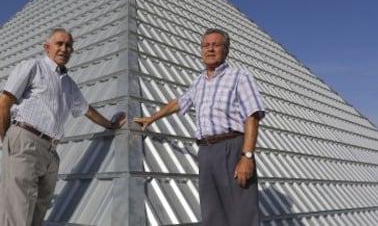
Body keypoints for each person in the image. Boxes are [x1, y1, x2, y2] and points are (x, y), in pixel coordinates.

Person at [133, 28, 265, 226]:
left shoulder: (239, 76)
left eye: (216, 45)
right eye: (206, 45)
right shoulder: (199, 82)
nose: (210, 49)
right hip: (205, 151)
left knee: (241, 214)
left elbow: (252, 116)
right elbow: (178, 103)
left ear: (226, 50)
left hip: (232, 147)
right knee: (212, 213)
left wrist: (247, 157)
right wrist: (153, 118)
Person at [0, 27, 126, 226]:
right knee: (18, 211)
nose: (64, 48)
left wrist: (110, 125)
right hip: (25, 141)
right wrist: (8, 141)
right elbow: (5, 102)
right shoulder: (33, 67)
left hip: (51, 151)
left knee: (38, 212)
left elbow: (88, 110)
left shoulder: (69, 84)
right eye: (59, 43)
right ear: (47, 47)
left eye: (69, 45)